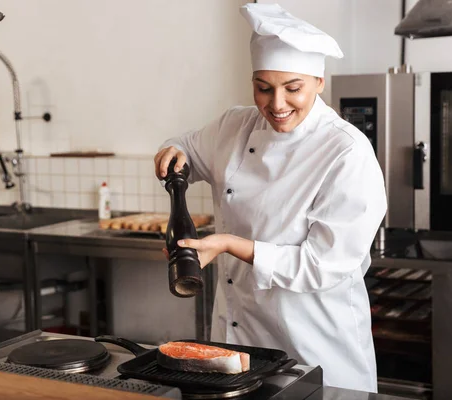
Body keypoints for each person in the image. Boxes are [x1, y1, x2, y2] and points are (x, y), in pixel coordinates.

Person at [154, 3, 387, 393]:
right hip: (240, 339)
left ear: (319, 82)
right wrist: (171, 153)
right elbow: (188, 148)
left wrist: (228, 244)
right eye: (263, 87)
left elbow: (322, 265)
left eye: (293, 88)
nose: (276, 104)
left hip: (317, 344)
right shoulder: (236, 125)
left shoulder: (346, 152)